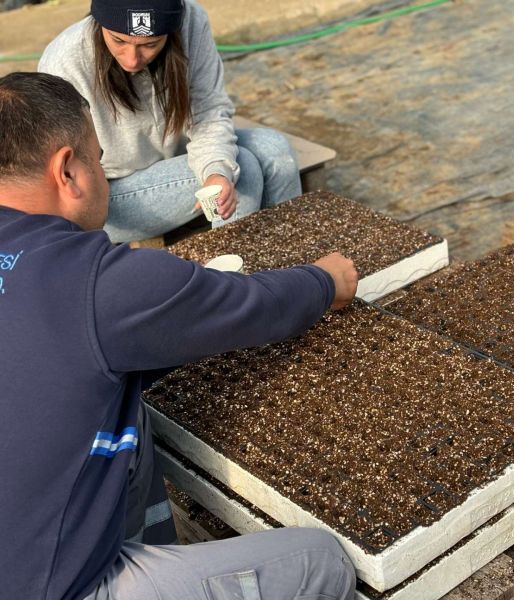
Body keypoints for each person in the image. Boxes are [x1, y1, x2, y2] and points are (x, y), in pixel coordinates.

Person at [0, 71, 357, 600]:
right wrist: (326, 280)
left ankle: (159, 554)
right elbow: (255, 307)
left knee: (125, 410)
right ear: (68, 171)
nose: (99, 171)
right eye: (97, 158)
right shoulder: (97, 282)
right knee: (322, 561)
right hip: (52, 589)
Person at [38, 0, 302, 244]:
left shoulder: (191, 21)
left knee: (275, 149)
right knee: (244, 168)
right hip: (108, 196)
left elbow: (208, 111)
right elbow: (60, 177)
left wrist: (215, 171)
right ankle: (236, 282)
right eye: (118, 40)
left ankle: (290, 257)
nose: (132, 59)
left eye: (150, 44)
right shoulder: (64, 62)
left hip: (170, 157)